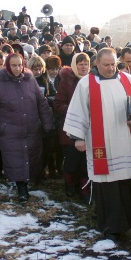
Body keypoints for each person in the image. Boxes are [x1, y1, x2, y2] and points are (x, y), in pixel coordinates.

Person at [63, 48, 131, 238]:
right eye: (106, 65)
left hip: (124, 140)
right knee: (106, 183)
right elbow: (78, 110)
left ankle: (126, 223)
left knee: (124, 183)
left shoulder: (128, 79)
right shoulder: (86, 84)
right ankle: (109, 225)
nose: (111, 69)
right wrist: (77, 138)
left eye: (113, 64)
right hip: (99, 141)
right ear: (97, 64)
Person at [0, 52, 55, 203]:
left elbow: (41, 104)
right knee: (15, 159)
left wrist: (48, 124)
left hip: (30, 129)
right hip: (9, 131)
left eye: (20, 65)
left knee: (29, 157)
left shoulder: (30, 81)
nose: (17, 68)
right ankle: (22, 188)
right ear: (8, 66)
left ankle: (28, 182)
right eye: (14, 65)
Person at [54, 52, 92, 200]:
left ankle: (84, 188)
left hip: (88, 128)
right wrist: (73, 109)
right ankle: (69, 185)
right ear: (74, 65)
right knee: (72, 160)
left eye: (86, 64)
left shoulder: (93, 81)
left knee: (85, 162)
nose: (83, 67)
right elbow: (57, 104)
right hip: (70, 128)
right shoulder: (67, 81)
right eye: (80, 64)